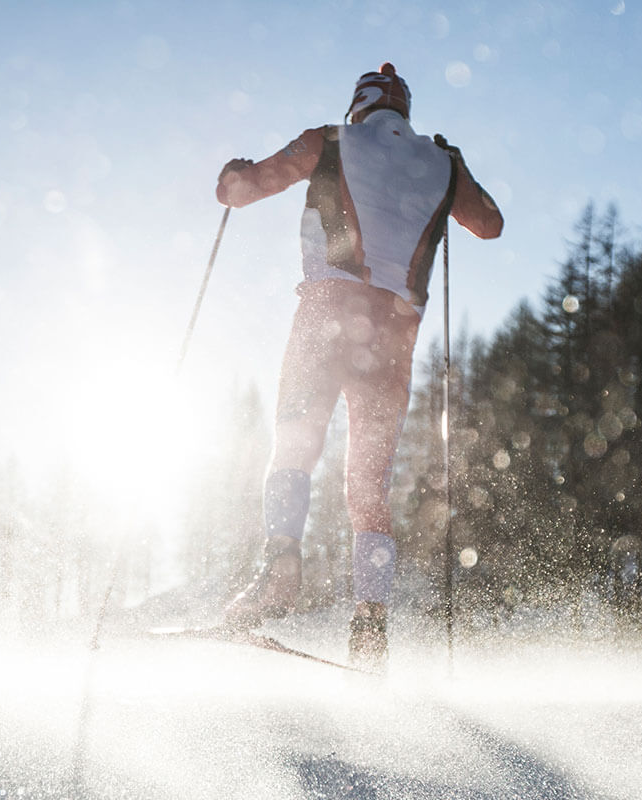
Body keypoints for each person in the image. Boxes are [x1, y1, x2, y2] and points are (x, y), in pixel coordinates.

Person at [213, 63, 503, 671]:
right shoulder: (442, 163)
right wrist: (456, 166)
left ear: (360, 106)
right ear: (405, 110)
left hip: (326, 315)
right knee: (369, 485)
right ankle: (370, 627)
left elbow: (243, 189)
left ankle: (279, 569)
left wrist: (232, 174)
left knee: (295, 443)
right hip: (395, 337)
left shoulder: (331, 140)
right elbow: (491, 224)